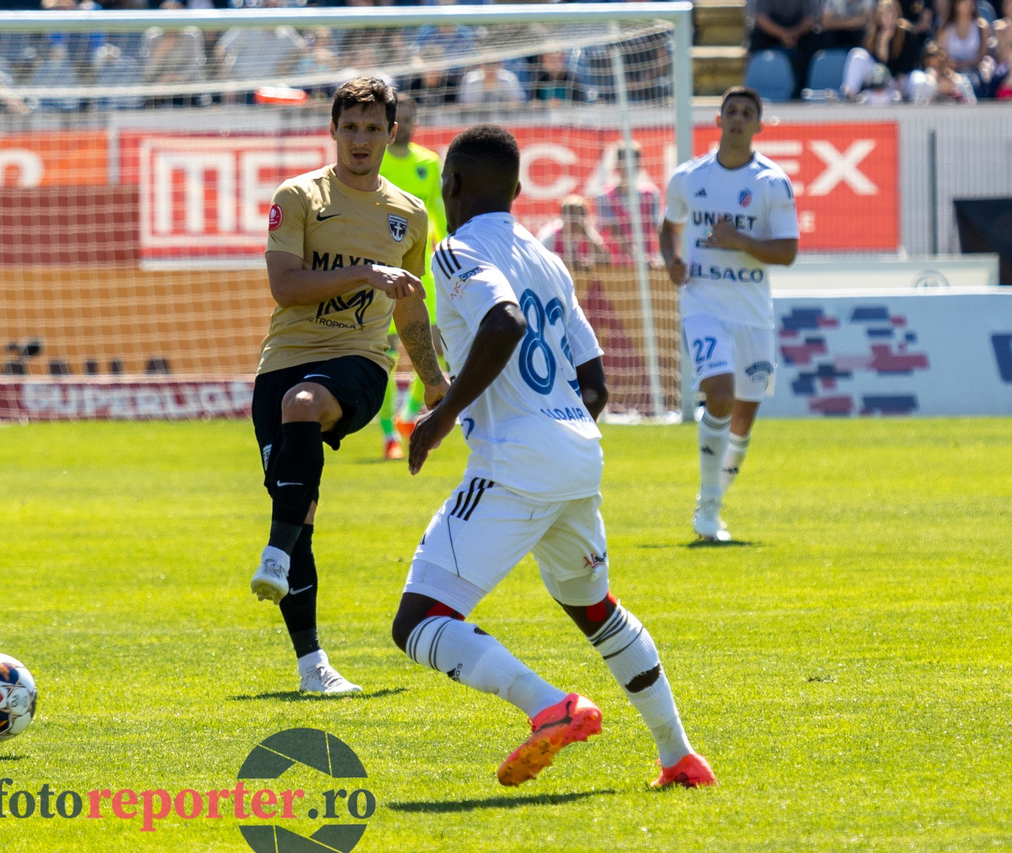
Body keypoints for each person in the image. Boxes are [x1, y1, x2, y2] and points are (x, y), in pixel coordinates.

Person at [393, 123, 713, 792]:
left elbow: (503, 321)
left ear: (449, 185)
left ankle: (553, 707)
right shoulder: (549, 258)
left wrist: (443, 415)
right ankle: (678, 756)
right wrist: (556, 432)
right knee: (594, 609)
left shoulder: (454, 252)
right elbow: (595, 381)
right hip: (576, 451)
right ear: (515, 190)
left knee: (419, 619)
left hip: (515, 458)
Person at [247, 77, 444, 698]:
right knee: (296, 508)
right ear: (332, 130)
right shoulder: (299, 196)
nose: (360, 139)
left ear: (392, 132)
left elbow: (410, 310)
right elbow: (285, 287)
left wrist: (435, 385)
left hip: (360, 361)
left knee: (302, 405)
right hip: (283, 359)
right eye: (349, 127)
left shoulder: (409, 215)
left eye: (372, 128)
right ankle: (314, 668)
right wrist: (363, 271)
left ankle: (273, 554)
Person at [662, 86, 799, 545]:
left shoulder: (772, 183)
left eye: (747, 113)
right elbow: (670, 227)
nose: (738, 119)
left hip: (753, 313)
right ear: (718, 122)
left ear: (759, 126)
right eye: (731, 112)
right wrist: (672, 260)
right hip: (703, 304)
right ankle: (708, 507)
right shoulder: (688, 177)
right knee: (718, 396)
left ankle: (712, 504)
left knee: (743, 416)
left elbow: (788, 251)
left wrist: (740, 242)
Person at [373, 93, 448, 458]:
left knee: (437, 347)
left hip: (423, 269)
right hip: (383, 266)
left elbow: (439, 211)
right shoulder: (375, 160)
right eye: (396, 117)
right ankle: (389, 433)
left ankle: (408, 413)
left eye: (408, 116)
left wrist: (448, 249)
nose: (403, 124)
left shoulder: (429, 162)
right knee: (386, 353)